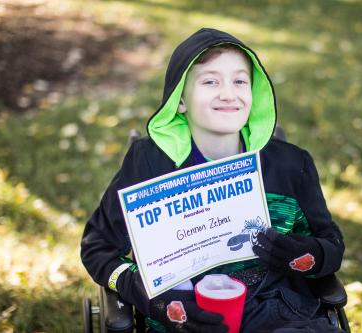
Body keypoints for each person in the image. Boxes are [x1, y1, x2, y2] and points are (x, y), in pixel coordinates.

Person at [81, 28, 345, 332]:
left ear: (253, 93)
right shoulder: (149, 163)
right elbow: (96, 248)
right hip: (183, 314)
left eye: (240, 81)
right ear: (180, 101)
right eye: (210, 81)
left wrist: (306, 256)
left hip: (278, 309)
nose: (228, 94)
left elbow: (332, 245)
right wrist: (142, 291)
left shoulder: (291, 165)